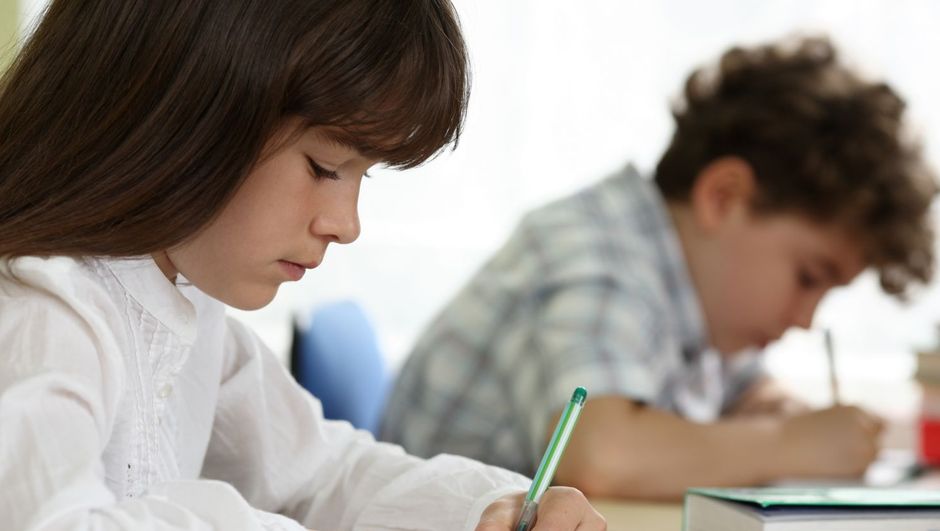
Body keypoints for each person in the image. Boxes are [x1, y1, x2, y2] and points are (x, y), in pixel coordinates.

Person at [0, 2, 607, 530]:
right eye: (325, 167)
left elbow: (318, 471)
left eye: (362, 176)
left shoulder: (179, 301)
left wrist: (486, 509)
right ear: (182, 108)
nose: (347, 224)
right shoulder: (40, 312)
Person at [381, 36, 938, 500]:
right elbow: (600, 454)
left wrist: (787, 414)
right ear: (724, 197)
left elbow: (747, 391)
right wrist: (792, 443)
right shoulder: (596, 251)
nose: (805, 319)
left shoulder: (701, 288)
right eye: (809, 278)